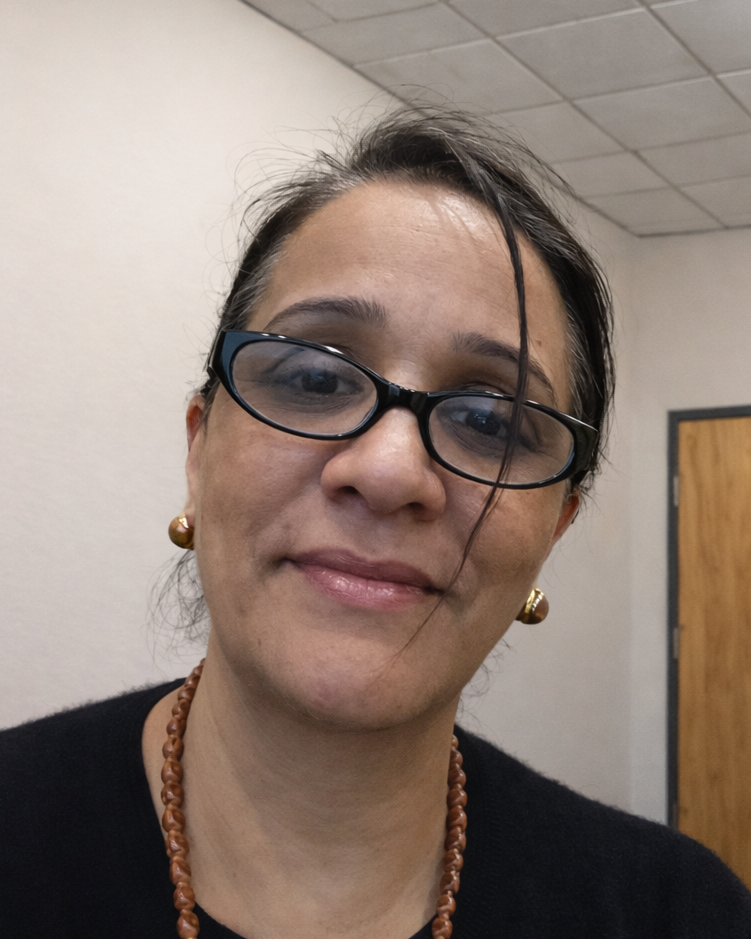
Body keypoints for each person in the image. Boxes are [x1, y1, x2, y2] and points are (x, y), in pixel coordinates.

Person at [1, 107, 750, 939]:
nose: (390, 471)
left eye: (492, 421)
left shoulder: (678, 913)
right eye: (315, 378)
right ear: (199, 447)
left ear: (554, 526)